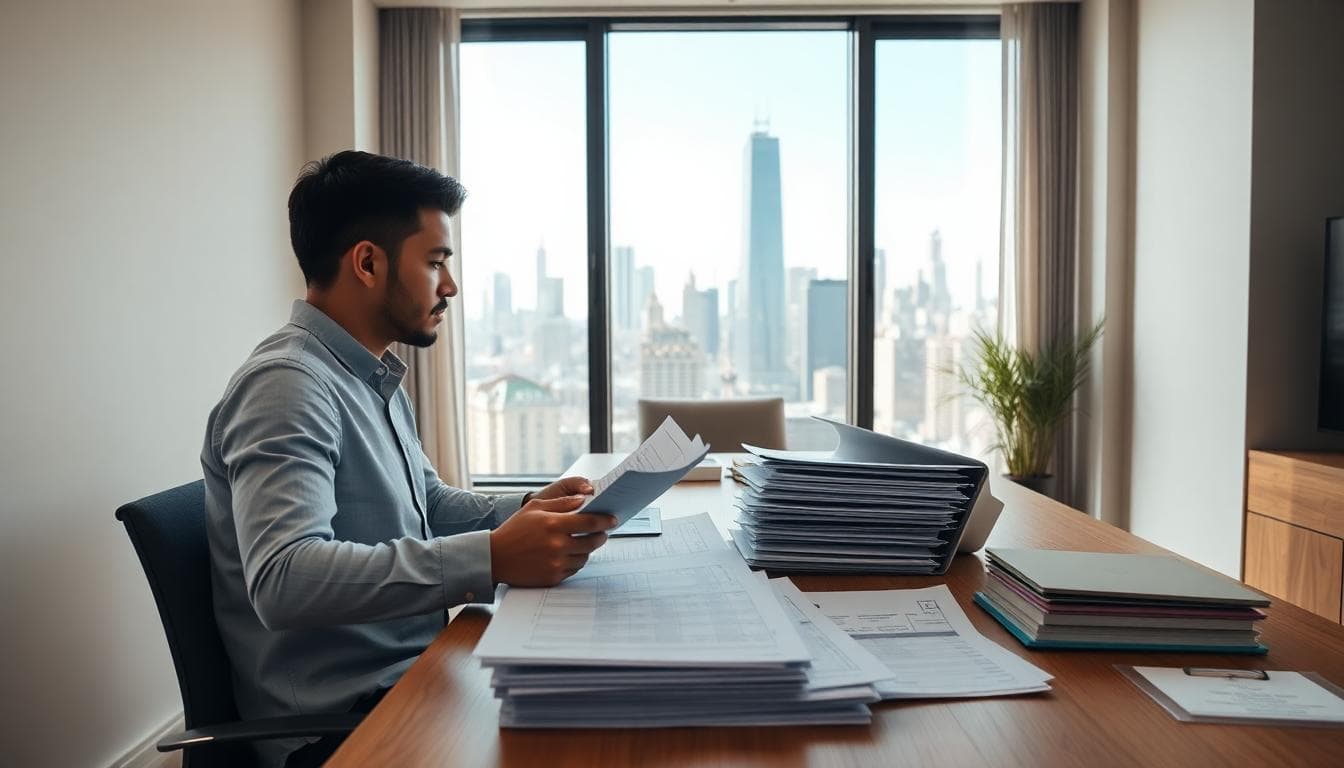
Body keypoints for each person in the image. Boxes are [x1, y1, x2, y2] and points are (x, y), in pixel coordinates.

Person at [200, 150, 617, 768]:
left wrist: (530, 508)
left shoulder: (368, 376)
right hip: (340, 728)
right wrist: (496, 555)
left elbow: (430, 504)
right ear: (368, 262)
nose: (449, 286)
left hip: (418, 674)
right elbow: (284, 578)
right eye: (435, 261)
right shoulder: (287, 385)